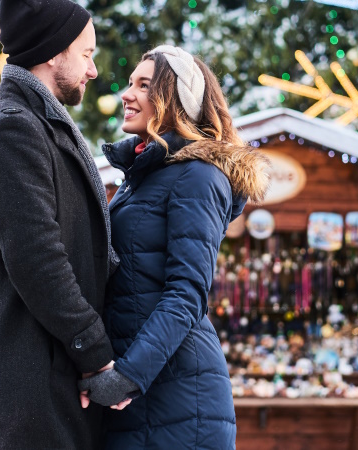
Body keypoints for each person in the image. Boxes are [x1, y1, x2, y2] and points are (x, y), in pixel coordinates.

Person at [0, 1, 122, 448]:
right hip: (16, 394)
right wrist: (94, 352)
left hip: (40, 382)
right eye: (86, 54)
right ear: (52, 52)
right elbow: (37, 258)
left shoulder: (40, 125)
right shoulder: (14, 130)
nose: (93, 70)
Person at [78, 46, 270, 448]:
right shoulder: (144, 176)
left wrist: (128, 376)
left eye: (143, 85)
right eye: (130, 84)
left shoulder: (198, 176)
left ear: (175, 100)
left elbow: (187, 293)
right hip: (142, 391)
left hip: (180, 399)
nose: (127, 94)